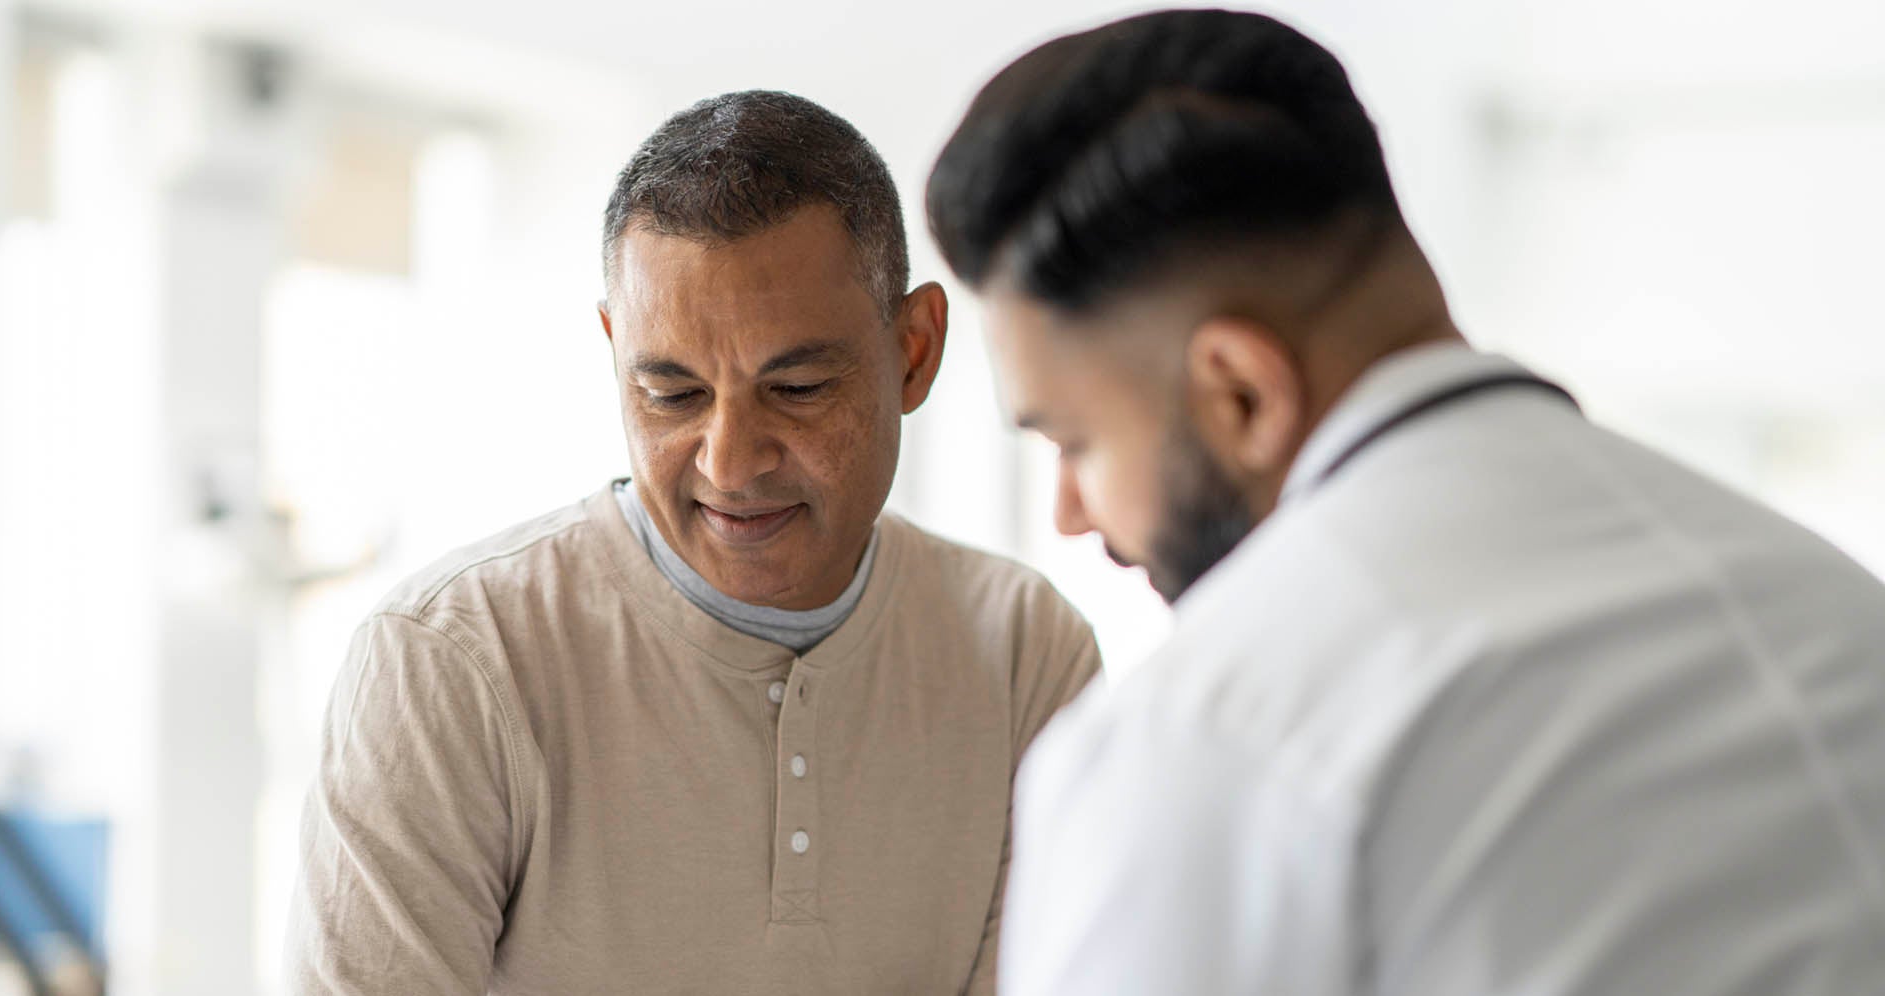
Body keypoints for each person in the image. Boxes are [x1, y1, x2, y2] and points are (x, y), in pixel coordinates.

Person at [926, 9, 1885, 995]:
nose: (1069, 513)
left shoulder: (1200, 740)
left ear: (1241, 395)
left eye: (1073, 444)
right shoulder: (1830, 604)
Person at [286, 90, 1101, 995]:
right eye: (671, 395)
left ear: (913, 351)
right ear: (615, 353)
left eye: (796, 388)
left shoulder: (1024, 654)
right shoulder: (451, 662)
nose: (730, 464)